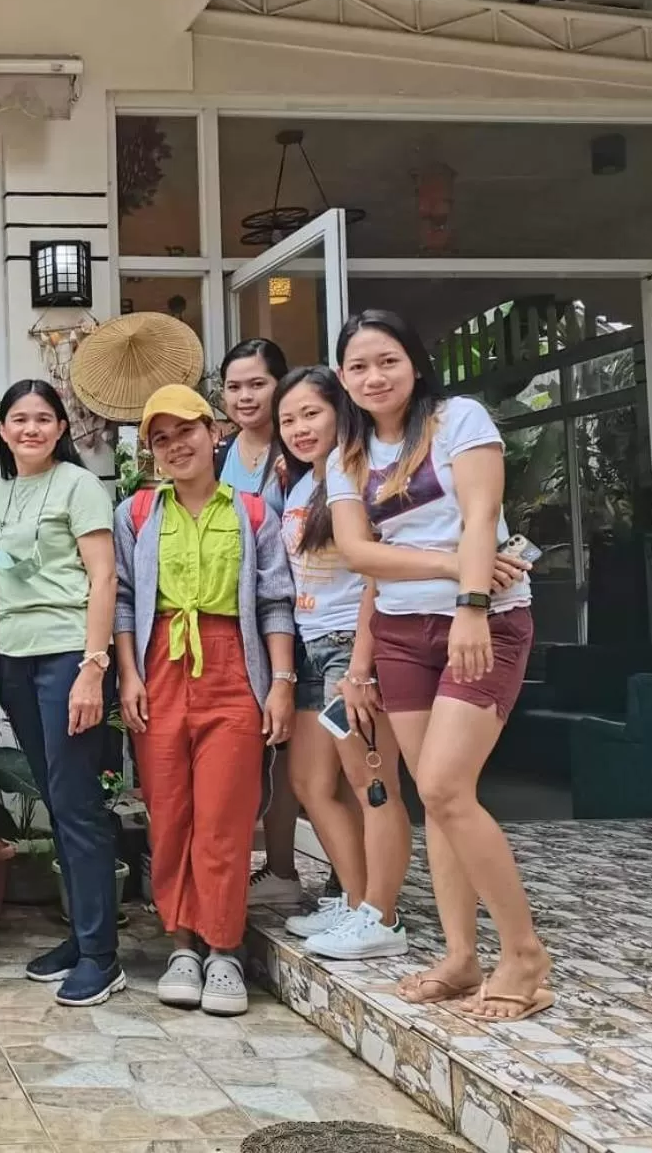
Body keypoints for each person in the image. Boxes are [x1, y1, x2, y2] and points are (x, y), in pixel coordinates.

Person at [325, 310, 549, 1021]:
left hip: (482, 620)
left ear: (415, 363)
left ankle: (524, 956)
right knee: (437, 797)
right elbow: (359, 553)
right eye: (358, 366)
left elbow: (482, 515)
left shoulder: (458, 420)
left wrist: (473, 601)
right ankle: (460, 956)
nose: (374, 377)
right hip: (398, 630)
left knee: (449, 788)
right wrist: (452, 564)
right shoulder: (346, 457)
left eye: (387, 360)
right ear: (343, 379)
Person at [115, 384, 296, 1018]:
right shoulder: (137, 514)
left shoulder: (251, 513)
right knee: (168, 816)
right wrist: (128, 677)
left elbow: (275, 601)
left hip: (232, 666)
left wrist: (280, 681)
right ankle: (181, 945)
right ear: (151, 452)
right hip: (160, 665)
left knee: (224, 815)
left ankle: (223, 950)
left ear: (211, 432)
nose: (175, 446)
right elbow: (123, 601)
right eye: (160, 439)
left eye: (184, 431)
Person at [0, 380, 121, 1008]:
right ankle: (81, 933)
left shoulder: (80, 485)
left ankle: (101, 954)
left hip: (68, 652)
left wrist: (94, 666)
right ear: (3, 428)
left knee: (76, 804)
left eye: (44, 419)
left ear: (61, 428)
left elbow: (103, 576)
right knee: (53, 796)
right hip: (14, 657)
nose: (31, 429)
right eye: (19, 419)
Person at [273, 367, 413, 960]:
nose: (300, 428)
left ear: (340, 410)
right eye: (289, 420)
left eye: (311, 414)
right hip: (311, 649)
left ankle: (383, 914)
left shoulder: (362, 474)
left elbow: (379, 574)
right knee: (309, 782)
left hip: (350, 649)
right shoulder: (305, 481)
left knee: (373, 783)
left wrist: (362, 664)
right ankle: (358, 899)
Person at [217, 339, 301, 910]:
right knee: (269, 751)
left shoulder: (300, 446)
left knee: (309, 754)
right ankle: (280, 869)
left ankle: (351, 878)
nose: (245, 396)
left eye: (257, 384)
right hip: (242, 619)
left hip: (302, 613)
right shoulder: (222, 449)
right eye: (234, 386)